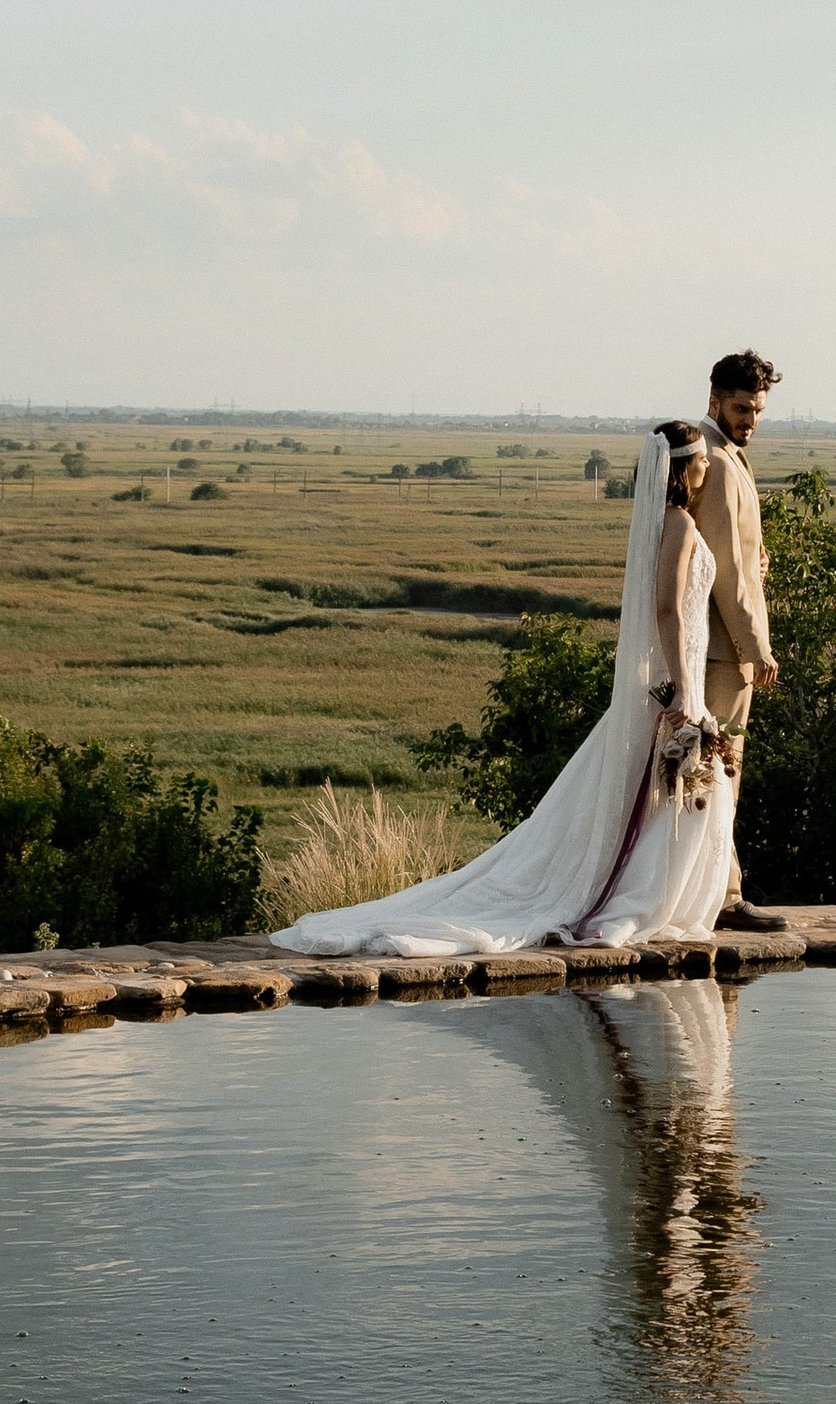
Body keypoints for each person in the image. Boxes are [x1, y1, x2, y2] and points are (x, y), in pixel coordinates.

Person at [270, 417, 738, 957]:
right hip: (676, 677)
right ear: (682, 467)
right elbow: (668, 609)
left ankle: (641, 891)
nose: (708, 464)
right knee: (672, 790)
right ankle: (635, 897)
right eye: (701, 458)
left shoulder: (665, 520)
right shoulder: (679, 523)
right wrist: (683, 688)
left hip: (674, 674)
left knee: (661, 791)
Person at [691, 348, 783, 924]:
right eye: (742, 408)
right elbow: (724, 568)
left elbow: (740, 553)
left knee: (712, 772)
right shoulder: (719, 462)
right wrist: (756, 646)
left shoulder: (724, 453)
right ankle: (723, 898)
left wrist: (760, 558)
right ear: (715, 400)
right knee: (719, 774)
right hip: (724, 650)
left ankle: (706, 893)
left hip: (725, 648)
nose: (751, 420)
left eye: (758, 410)